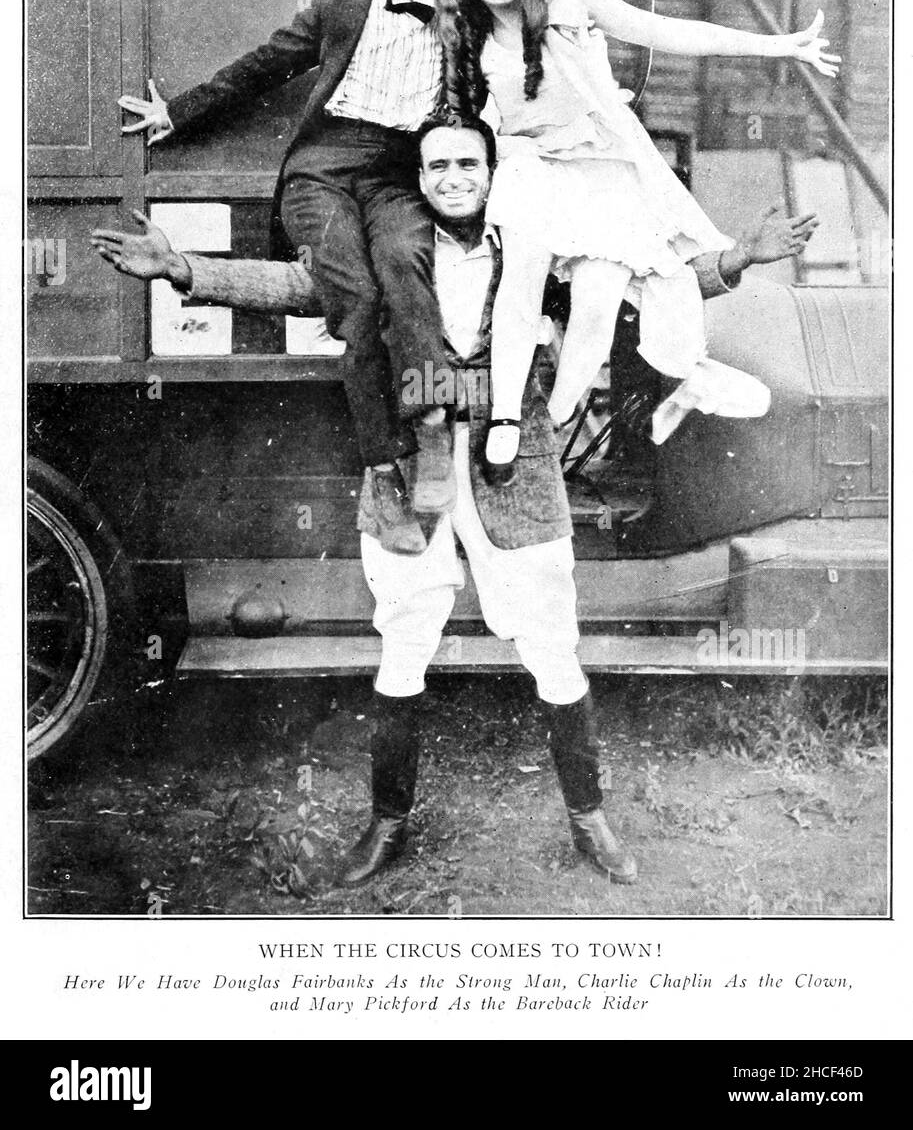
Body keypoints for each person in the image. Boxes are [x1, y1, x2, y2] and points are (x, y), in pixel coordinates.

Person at [92, 115, 817, 890]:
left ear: (491, 170)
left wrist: (740, 256)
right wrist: (183, 271)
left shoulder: (536, 252)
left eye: (467, 162)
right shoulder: (384, 254)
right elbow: (299, 288)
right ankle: (387, 821)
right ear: (420, 178)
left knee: (550, 643)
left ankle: (589, 818)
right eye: (436, 166)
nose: (452, 177)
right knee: (404, 640)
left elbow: (652, 284)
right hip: (409, 465)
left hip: (516, 468)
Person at [429, 0, 840, 482]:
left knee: (597, 301)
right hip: (530, 165)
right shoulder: (468, 36)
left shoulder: (573, 5)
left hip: (603, 171)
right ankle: (507, 418)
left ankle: (558, 416)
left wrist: (777, 45)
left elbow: (670, 32)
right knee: (522, 275)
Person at [118, 0, 456, 556]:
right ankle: (385, 471)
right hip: (323, 169)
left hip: (400, 174)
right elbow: (263, 66)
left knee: (405, 266)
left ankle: (432, 429)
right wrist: (178, 111)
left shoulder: (462, 15)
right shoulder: (339, 9)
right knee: (354, 300)